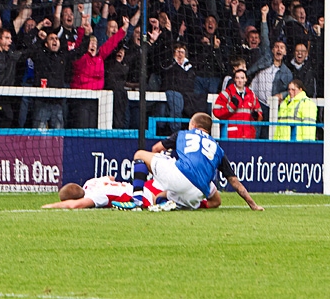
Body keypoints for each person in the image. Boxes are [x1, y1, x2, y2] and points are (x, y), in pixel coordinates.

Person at [133, 113, 264, 211]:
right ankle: (174, 203)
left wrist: (158, 173)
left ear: (193, 125)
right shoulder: (217, 148)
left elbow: (155, 149)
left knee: (140, 155)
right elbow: (234, 181)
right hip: (197, 192)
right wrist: (253, 205)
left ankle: (137, 200)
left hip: (180, 176)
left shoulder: (183, 134)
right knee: (215, 200)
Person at [213, 69, 262, 139]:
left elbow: (259, 113)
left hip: (248, 135)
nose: (240, 80)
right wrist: (231, 107)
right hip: (231, 134)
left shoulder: (252, 95)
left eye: (242, 78)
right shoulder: (226, 93)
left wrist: (256, 116)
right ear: (234, 79)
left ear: (246, 79)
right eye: (237, 78)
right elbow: (217, 112)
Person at [41, 176, 137, 209]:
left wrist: (51, 206)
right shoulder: (89, 183)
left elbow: (74, 206)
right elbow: (111, 178)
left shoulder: (94, 196)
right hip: (135, 187)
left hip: (137, 197)